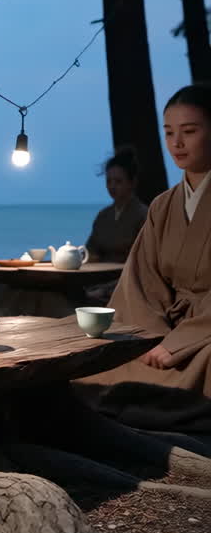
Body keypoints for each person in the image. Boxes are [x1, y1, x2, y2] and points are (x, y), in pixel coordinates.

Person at [78, 85, 211, 432]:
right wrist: (154, 337)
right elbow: (140, 283)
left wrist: (180, 343)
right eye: (169, 133)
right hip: (164, 328)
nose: (177, 143)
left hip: (205, 334)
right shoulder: (163, 205)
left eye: (190, 131)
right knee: (102, 363)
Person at [85, 145, 148, 263]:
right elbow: (90, 250)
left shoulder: (143, 215)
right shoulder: (103, 216)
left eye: (118, 181)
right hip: (99, 273)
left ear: (132, 182)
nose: (112, 186)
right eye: (109, 181)